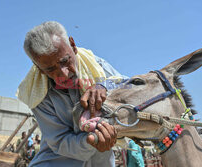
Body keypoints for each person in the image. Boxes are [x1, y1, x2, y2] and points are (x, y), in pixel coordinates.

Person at [17, 21, 128, 167]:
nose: (64, 73)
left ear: (73, 45)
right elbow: (60, 141)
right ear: (39, 68)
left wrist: (104, 85)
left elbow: (130, 84)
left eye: (65, 61)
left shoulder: (95, 66)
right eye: (50, 69)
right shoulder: (37, 93)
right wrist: (92, 140)